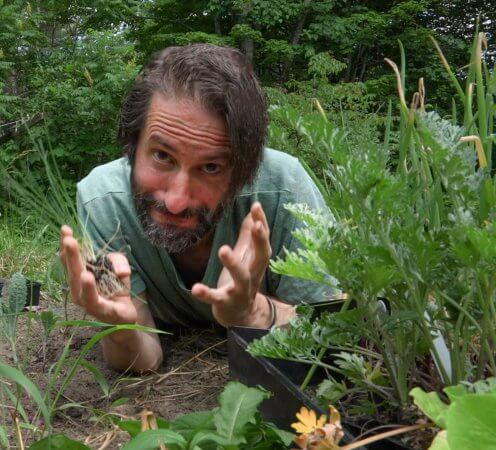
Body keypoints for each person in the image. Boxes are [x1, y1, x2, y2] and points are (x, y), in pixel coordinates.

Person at [59, 44, 337, 373]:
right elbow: (145, 357)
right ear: (132, 147)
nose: (176, 201)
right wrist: (117, 329)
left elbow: (334, 335)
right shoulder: (103, 200)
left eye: (211, 168)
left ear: (246, 172)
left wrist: (253, 312)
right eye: (162, 156)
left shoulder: (285, 188)